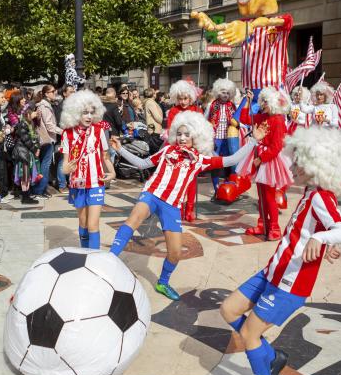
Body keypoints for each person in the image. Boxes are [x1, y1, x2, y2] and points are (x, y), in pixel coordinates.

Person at [219, 126, 341, 375]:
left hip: (289, 284)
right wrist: (322, 239)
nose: (294, 165)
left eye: (301, 160)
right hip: (273, 272)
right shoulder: (311, 192)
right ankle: (271, 356)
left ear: (317, 165)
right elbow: (321, 230)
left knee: (249, 334)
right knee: (229, 309)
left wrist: (323, 239)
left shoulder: (322, 196)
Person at [110, 112, 267, 300]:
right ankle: (109, 260)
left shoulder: (200, 160)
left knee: (175, 253)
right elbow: (143, 164)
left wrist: (253, 142)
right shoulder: (167, 150)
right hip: (152, 193)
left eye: (187, 135)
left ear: (197, 138)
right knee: (134, 218)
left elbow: (232, 160)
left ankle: (163, 283)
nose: (182, 138)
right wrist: (120, 150)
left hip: (172, 205)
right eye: (180, 134)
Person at [59, 90, 116, 249]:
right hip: (77, 184)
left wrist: (112, 172)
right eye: (85, 113)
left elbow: (105, 156)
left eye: (92, 112)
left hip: (97, 182)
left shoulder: (99, 131)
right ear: (76, 113)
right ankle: (85, 253)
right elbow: (64, 164)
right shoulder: (67, 134)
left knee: (93, 224)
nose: (89, 117)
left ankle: (94, 258)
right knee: (83, 222)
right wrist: (65, 170)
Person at [237, 87, 293, 240]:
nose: (263, 104)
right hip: (259, 156)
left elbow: (276, 146)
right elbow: (244, 118)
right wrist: (247, 101)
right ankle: (263, 224)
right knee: (261, 196)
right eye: (262, 101)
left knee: (269, 196)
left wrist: (261, 159)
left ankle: (274, 227)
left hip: (269, 161)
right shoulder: (263, 117)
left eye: (266, 101)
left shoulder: (279, 120)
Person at [166, 80, 202, 222]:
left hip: (193, 150)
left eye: (185, 98)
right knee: (179, 180)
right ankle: (179, 207)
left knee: (192, 180)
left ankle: (190, 209)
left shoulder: (197, 110)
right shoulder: (173, 111)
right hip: (178, 149)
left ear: (191, 97)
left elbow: (201, 130)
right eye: (180, 98)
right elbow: (170, 130)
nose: (182, 101)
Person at [34, 85, 62, 198]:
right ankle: (40, 189)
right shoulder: (44, 106)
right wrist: (63, 132)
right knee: (45, 165)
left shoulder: (45, 105)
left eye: (55, 91)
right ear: (46, 93)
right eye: (52, 91)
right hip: (46, 139)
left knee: (43, 165)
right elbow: (49, 125)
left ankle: (41, 188)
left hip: (47, 138)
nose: (54, 93)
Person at [13, 103, 41, 205]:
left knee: (27, 175)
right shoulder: (23, 124)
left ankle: (27, 195)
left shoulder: (29, 123)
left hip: (27, 152)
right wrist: (35, 149)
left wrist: (36, 147)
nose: (35, 113)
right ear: (27, 113)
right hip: (23, 153)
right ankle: (25, 197)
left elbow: (33, 138)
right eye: (33, 112)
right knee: (25, 175)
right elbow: (26, 140)